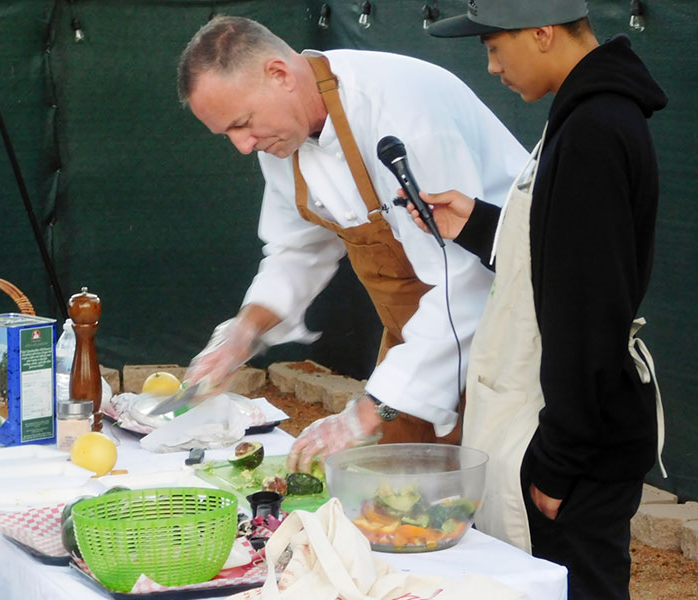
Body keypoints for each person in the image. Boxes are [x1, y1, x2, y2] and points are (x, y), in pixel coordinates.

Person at [175, 16, 527, 472]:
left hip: (505, 326)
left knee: (495, 495)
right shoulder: (285, 135)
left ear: (279, 74)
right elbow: (297, 249)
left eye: (243, 124)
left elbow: (465, 284)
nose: (243, 146)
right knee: (395, 496)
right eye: (229, 134)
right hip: (416, 336)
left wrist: (367, 411)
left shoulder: (401, 115)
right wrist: (243, 333)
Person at [416, 2, 667, 598]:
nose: (492, 67)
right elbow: (563, 257)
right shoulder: (585, 115)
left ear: (543, 33)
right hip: (575, 436)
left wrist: (559, 461)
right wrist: (478, 224)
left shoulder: (595, 129)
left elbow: (588, 311)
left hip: (577, 448)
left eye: (495, 48)